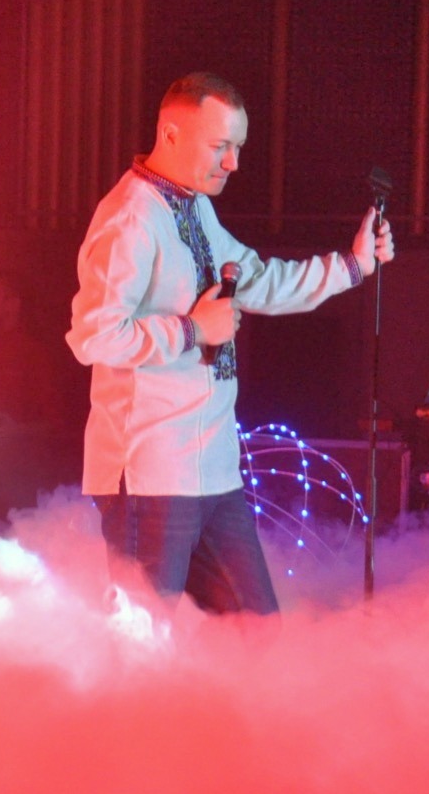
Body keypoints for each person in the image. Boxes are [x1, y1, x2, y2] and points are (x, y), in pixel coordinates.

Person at [66, 72, 394, 617]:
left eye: (238, 147)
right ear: (170, 134)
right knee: (142, 643)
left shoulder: (192, 204)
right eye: (220, 146)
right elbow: (94, 335)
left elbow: (257, 280)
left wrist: (353, 265)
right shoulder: (130, 219)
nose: (233, 163)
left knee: (255, 633)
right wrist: (193, 330)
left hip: (214, 473)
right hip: (149, 475)